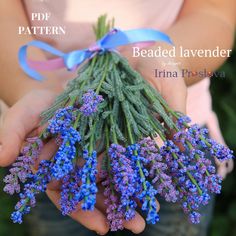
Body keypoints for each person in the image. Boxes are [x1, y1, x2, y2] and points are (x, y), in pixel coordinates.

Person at [0, 0, 235, 235]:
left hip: (167, 139)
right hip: (54, 142)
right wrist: (27, 86)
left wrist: (168, 60)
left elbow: (215, 12)